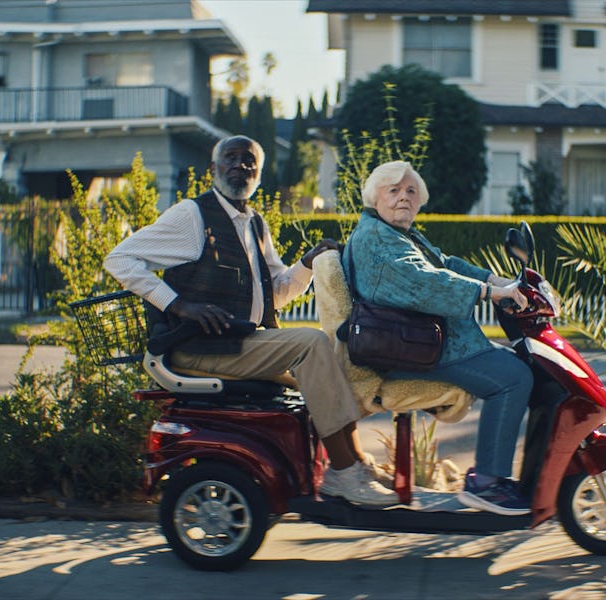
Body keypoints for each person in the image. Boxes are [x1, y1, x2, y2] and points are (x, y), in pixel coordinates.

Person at [104, 135, 397, 506]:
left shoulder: (254, 222)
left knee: (332, 364)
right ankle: (343, 473)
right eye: (231, 158)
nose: (240, 165)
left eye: (249, 161)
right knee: (311, 344)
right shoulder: (191, 216)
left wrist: (307, 263)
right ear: (213, 169)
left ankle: (353, 464)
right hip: (200, 348)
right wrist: (178, 305)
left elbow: (275, 292)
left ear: (258, 174)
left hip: (237, 343)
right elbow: (119, 259)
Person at [342, 160, 533, 515]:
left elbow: (445, 263)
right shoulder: (375, 238)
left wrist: (497, 282)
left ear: (419, 200)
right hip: (408, 350)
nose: (403, 198)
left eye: (411, 191)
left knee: (520, 364)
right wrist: (487, 294)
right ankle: (488, 484)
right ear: (375, 197)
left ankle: (499, 475)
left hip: (424, 342)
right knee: (514, 377)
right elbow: (422, 282)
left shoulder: (398, 234)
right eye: (393, 190)